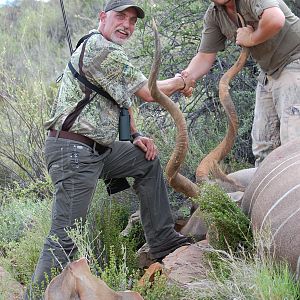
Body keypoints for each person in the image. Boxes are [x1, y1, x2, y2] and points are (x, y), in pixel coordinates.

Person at [25, 0, 194, 298]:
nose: (126, 25)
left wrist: (135, 136)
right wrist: (183, 81)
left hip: (95, 149)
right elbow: (148, 92)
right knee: (64, 237)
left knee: (145, 160)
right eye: (120, 17)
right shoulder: (102, 49)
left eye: (132, 20)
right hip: (74, 151)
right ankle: (36, 296)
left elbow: (117, 102)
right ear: (103, 17)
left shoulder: (105, 52)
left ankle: (163, 240)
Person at [182, 0, 300, 166]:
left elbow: (275, 19)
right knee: (264, 150)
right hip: (268, 73)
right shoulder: (215, 14)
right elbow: (204, 57)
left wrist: (251, 38)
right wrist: (184, 78)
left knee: (294, 145)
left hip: (295, 62)